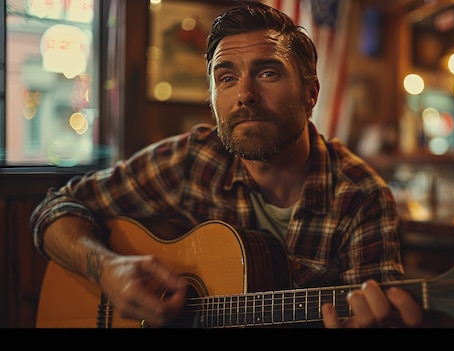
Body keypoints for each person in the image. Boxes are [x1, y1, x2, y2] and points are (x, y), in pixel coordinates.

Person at [29, 1, 422, 328]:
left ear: (311, 93)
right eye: (227, 78)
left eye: (267, 73)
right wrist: (107, 269)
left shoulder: (361, 198)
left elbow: (379, 309)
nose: (245, 95)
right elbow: (54, 210)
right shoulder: (192, 160)